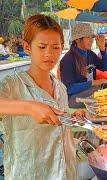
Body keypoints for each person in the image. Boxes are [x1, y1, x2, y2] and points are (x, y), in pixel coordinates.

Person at [0, 14, 79, 179]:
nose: (49, 54)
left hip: (66, 173)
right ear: (27, 47)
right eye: (42, 47)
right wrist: (30, 107)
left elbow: (57, 126)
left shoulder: (60, 87)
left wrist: (72, 117)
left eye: (56, 47)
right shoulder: (12, 84)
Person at [60, 23, 107, 108]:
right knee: (102, 96)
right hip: (73, 99)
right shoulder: (68, 59)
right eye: (88, 37)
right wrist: (93, 82)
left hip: (90, 91)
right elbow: (69, 88)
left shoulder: (90, 54)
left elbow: (106, 67)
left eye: (92, 37)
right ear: (77, 40)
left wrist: (102, 49)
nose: (91, 40)